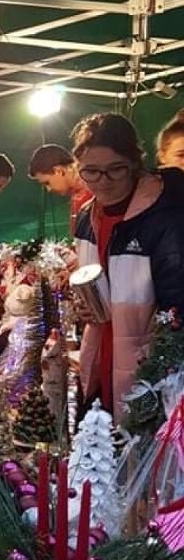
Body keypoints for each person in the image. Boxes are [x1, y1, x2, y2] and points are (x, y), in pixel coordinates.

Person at [72, 112, 184, 420]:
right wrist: (83, 308)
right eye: (91, 172)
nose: (102, 182)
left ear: (135, 163)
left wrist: (158, 359)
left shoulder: (164, 216)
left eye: (115, 170)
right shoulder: (87, 216)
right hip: (101, 357)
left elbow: (177, 306)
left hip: (148, 371)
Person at [28, 143, 93, 234]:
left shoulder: (94, 191)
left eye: (47, 183)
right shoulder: (77, 195)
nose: (48, 189)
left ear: (59, 171)